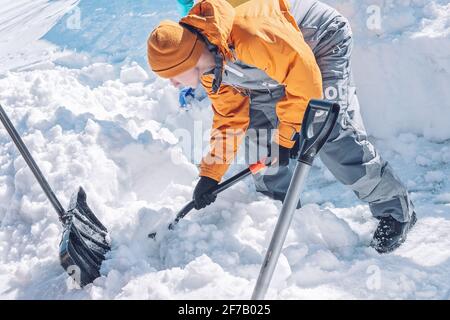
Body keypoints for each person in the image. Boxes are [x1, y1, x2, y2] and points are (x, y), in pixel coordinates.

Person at [148, 0, 416, 254]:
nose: (172, 84)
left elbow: (305, 82)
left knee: (325, 131)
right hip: (271, 68)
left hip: (320, 42)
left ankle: (394, 209)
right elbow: (230, 119)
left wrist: (287, 135)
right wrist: (211, 174)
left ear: (186, 62)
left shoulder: (250, 35)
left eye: (171, 76)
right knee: (261, 139)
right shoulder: (211, 66)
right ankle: (281, 218)